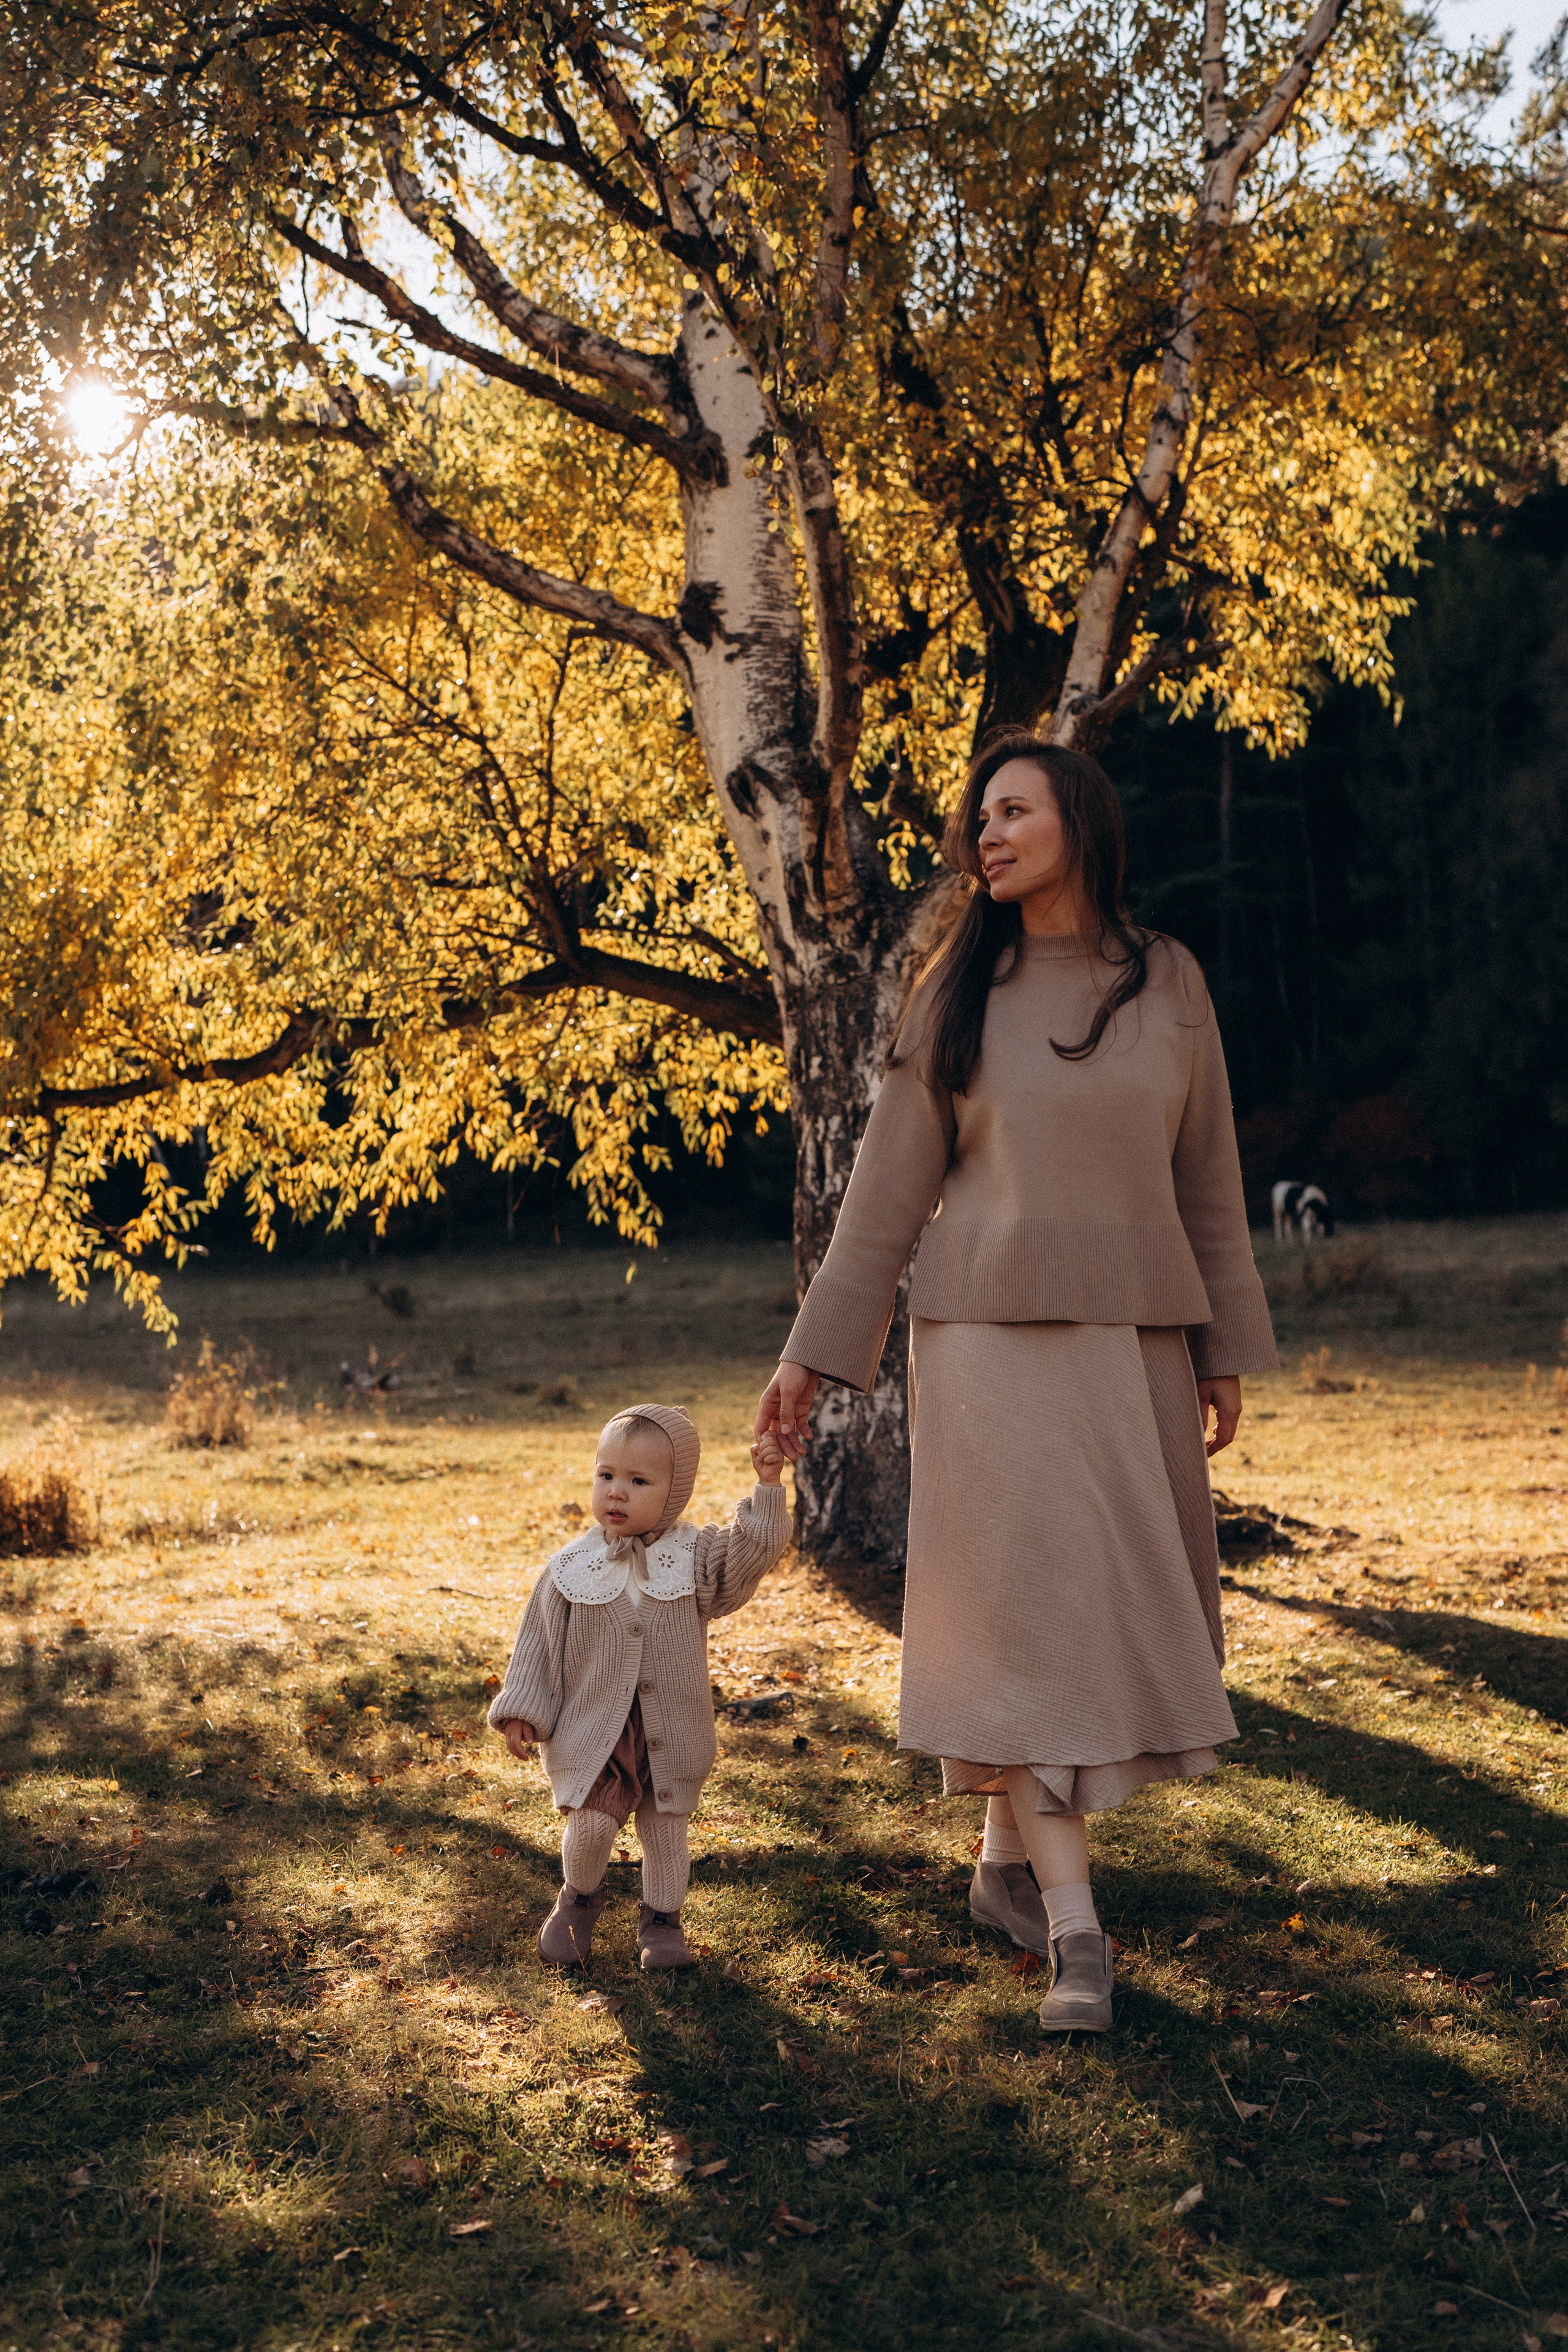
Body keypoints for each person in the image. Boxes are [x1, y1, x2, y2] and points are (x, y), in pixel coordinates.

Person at [755, 732, 1277, 2032]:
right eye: (975, 818)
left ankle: (999, 1867)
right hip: (984, 1348)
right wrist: (811, 1355)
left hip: (1137, 1341)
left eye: (1012, 812)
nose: (983, 835)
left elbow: (1205, 1176)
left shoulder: (1167, 982)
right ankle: (1076, 1933)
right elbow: (882, 1194)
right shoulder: (951, 991)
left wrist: (1218, 1345)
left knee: (1081, 1615)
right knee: (1029, 1609)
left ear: (1078, 826)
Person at [488, 1403, 791, 1970]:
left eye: (637, 1480)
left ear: (675, 1493)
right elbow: (537, 1644)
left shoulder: (695, 1559)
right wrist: (523, 1711)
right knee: (591, 1826)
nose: (616, 1493)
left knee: (665, 1832)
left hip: (670, 1729)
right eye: (607, 1476)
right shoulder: (570, 1568)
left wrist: (768, 1486)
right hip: (593, 1729)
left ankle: (662, 1924)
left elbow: (754, 1552)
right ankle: (578, 1900)